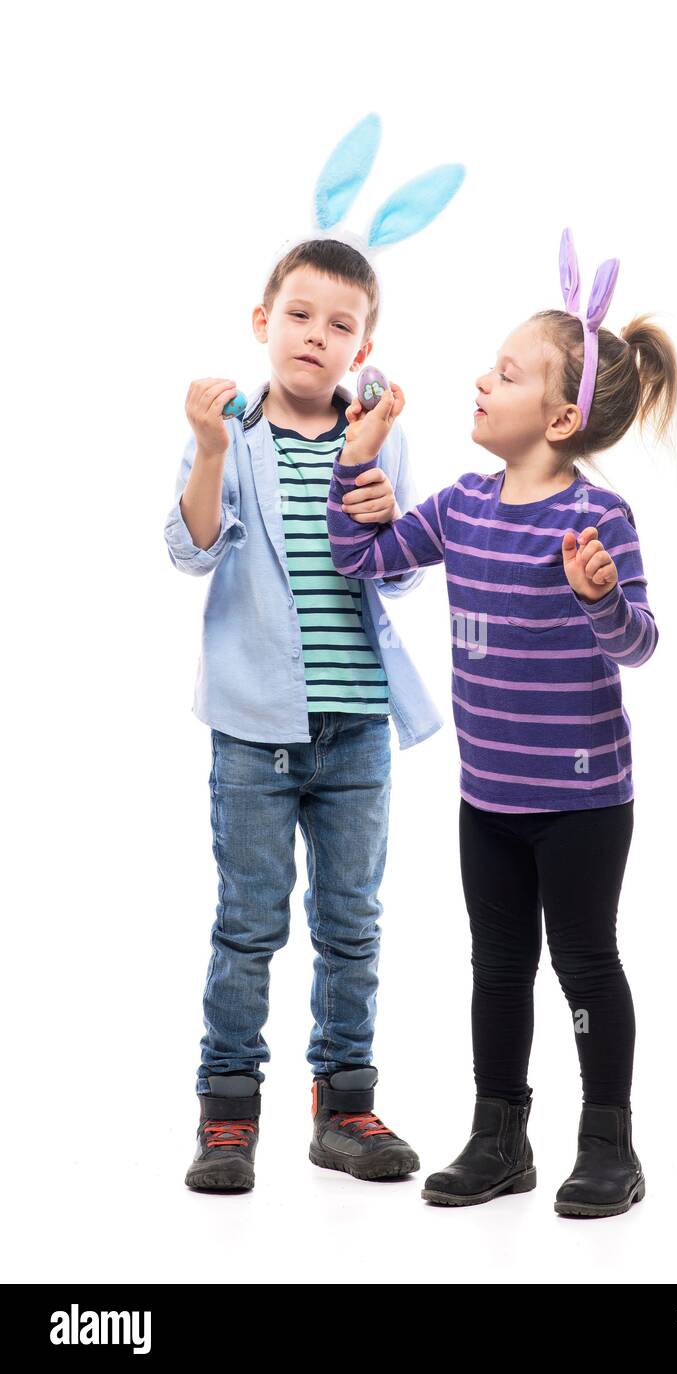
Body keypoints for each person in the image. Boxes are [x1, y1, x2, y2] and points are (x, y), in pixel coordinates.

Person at [327, 230, 677, 1216]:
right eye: (491, 364)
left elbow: (639, 645)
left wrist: (602, 600)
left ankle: (607, 1143)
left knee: (582, 962)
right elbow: (365, 560)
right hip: (487, 799)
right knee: (495, 967)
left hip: (580, 799)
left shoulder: (597, 522)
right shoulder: (461, 506)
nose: (482, 380)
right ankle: (498, 1137)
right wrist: (353, 464)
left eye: (508, 372)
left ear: (559, 415)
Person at [164, 113, 465, 1194]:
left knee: (351, 924)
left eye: (341, 324)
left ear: (361, 348)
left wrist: (382, 517)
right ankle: (225, 1113)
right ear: (262, 319)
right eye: (299, 312)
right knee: (247, 926)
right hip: (253, 729)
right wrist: (204, 451)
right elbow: (191, 549)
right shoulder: (232, 430)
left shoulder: (370, 432)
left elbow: (402, 568)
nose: (315, 334)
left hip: (355, 732)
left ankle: (345, 1106)